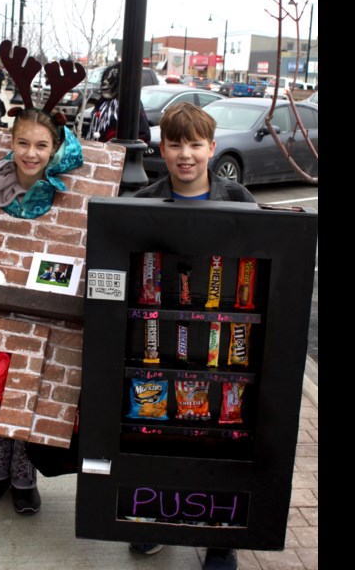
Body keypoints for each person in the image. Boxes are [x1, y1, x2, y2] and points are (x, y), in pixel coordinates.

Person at [129, 101, 253, 570]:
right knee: (157, 430)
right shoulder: (141, 204)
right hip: (159, 335)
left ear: (211, 148)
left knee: (221, 434)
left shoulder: (238, 200)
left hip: (224, 338)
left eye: (195, 144)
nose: (186, 154)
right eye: (176, 143)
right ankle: (155, 520)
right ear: (163, 148)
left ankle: (220, 537)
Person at [0, 107, 85, 514]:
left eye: (41, 145)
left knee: (30, 388)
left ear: (54, 148)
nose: (31, 153)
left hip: (44, 307)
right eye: (23, 143)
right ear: (11, 144)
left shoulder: (63, 190)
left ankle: (25, 469)